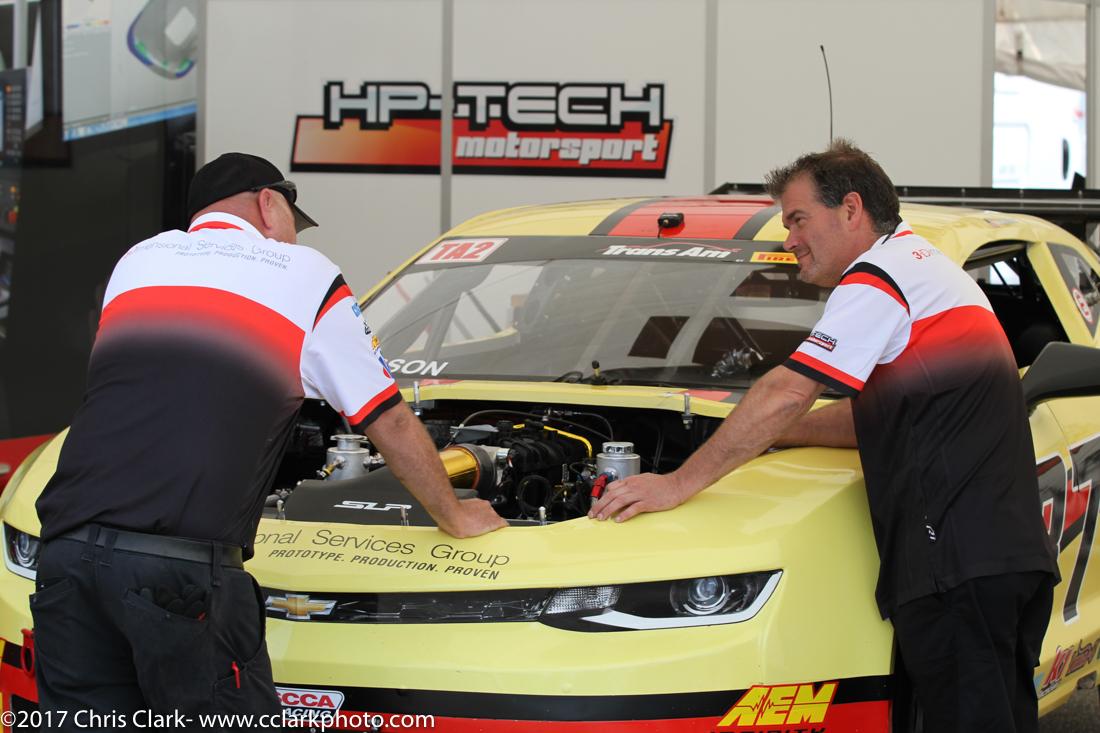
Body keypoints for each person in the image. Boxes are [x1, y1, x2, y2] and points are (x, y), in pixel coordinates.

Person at [590, 140, 1058, 732]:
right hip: (998, 558)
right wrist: (774, 437)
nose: (789, 239)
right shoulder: (923, 268)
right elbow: (883, 414)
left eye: (797, 219)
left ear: (851, 209)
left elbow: (788, 391)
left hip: (954, 563)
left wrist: (679, 482)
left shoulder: (877, 279)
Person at [31, 152, 505, 728]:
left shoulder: (139, 260)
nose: (292, 238)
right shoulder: (304, 275)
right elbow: (390, 420)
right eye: (292, 222)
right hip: (177, 574)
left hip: (66, 557)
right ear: (268, 202)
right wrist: (454, 514)